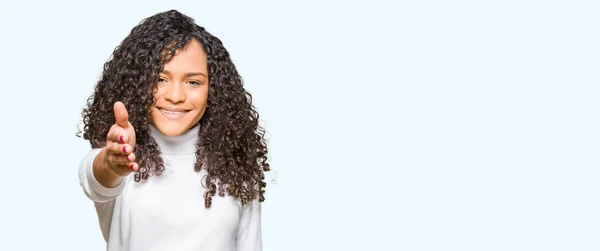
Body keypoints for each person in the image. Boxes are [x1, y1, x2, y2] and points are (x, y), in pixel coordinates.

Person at [77, 9, 270, 251]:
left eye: (193, 82)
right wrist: (112, 161)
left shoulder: (236, 165)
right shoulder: (122, 158)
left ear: (213, 90)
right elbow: (96, 177)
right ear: (137, 83)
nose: (175, 96)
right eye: (160, 79)